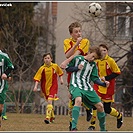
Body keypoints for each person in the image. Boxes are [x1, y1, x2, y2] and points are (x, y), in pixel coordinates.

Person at [64, 45, 109, 131]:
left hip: (87, 87)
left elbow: (95, 79)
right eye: (92, 56)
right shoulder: (78, 58)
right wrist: (77, 68)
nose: (93, 59)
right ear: (89, 52)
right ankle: (73, 127)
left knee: (100, 106)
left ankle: (103, 129)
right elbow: (68, 69)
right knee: (78, 100)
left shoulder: (93, 65)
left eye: (95, 58)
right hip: (75, 84)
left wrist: (103, 84)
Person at [61, 22, 92, 130]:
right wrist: (75, 44)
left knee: (80, 95)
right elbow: (67, 54)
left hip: (82, 72)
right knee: (72, 97)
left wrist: (66, 62)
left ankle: (88, 108)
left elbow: (77, 53)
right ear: (71, 34)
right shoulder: (66, 41)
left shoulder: (85, 41)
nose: (79, 33)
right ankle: (72, 124)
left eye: (80, 31)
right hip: (71, 71)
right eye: (76, 32)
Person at [88, 44, 123, 130]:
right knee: (95, 104)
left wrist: (106, 78)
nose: (103, 52)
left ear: (107, 51)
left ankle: (119, 116)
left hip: (108, 87)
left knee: (107, 109)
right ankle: (92, 125)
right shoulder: (96, 61)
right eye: (101, 50)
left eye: (104, 50)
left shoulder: (110, 60)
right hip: (98, 86)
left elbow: (117, 72)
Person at [33, 52, 64, 124]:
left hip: (53, 86)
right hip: (45, 88)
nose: (47, 60)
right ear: (43, 60)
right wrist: (35, 86)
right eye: (45, 58)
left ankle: (47, 117)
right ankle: (52, 116)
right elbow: (37, 78)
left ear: (51, 59)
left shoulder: (55, 66)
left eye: (48, 58)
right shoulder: (42, 68)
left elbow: (60, 73)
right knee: (49, 102)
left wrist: (61, 80)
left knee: (50, 101)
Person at [0, 47, 14, 127]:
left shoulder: (3, 56)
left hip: (1, 84)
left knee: (0, 108)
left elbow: (11, 66)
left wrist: (5, 74)